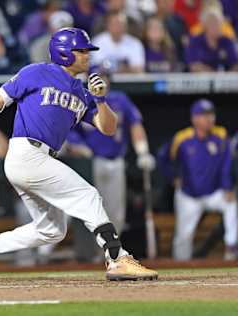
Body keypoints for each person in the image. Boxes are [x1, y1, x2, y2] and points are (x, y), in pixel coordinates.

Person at [0, 27, 158, 281]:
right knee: (87, 196)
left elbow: (108, 128)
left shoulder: (81, 91)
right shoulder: (36, 72)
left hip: (39, 159)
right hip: (27, 153)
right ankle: (117, 258)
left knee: (52, 230)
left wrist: (100, 100)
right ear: (65, 53)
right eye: (82, 51)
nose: (88, 56)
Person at [65, 66, 155, 236]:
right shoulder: (80, 99)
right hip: (91, 162)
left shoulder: (120, 99)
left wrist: (142, 150)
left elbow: (135, 124)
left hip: (115, 160)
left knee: (115, 212)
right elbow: (68, 130)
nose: (102, 80)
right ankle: (91, 257)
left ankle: (113, 254)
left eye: (104, 76)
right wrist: (79, 147)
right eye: (97, 76)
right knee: (91, 210)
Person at [157, 99, 237, 261]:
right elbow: (163, 157)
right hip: (189, 195)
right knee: (183, 236)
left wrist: (227, 187)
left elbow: (226, 164)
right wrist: (173, 177)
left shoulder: (220, 135)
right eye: (204, 115)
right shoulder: (183, 138)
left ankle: (231, 247)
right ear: (194, 118)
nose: (209, 119)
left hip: (213, 193)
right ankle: (180, 267)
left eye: (211, 114)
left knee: (231, 204)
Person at [185, 6, 238, 72]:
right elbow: (193, 66)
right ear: (205, 25)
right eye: (213, 23)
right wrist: (214, 77)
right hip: (201, 80)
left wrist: (225, 78)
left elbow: (236, 64)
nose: (217, 26)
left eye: (218, 23)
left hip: (226, 80)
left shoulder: (227, 41)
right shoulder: (195, 41)